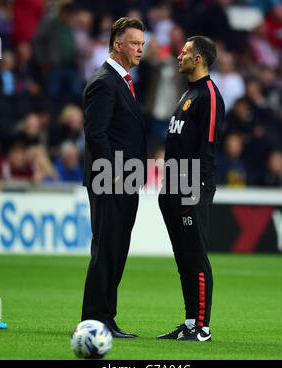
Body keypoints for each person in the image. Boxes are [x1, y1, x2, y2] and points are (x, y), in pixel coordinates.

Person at [81, 17, 147, 338]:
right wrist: (112, 172)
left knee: (116, 248)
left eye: (143, 45)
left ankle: (106, 316)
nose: (140, 50)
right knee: (107, 248)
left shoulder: (121, 82)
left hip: (125, 179)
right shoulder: (104, 81)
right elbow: (96, 134)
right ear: (117, 44)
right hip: (111, 181)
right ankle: (94, 318)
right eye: (135, 43)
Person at [157, 36, 225, 341]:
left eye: (184, 52)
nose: (178, 56)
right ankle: (189, 322)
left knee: (195, 256)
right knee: (183, 257)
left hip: (190, 187)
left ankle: (202, 326)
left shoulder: (209, 95)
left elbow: (207, 147)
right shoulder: (188, 94)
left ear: (198, 58)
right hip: (172, 186)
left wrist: (193, 187)